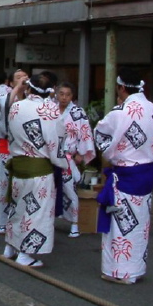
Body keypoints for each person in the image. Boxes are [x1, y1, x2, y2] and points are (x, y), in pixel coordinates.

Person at [93, 67, 153, 284]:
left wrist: (112, 152)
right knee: (140, 224)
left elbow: (101, 134)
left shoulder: (119, 112)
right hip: (147, 173)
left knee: (122, 225)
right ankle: (136, 269)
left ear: (122, 88)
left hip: (125, 175)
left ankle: (121, 272)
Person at [2, 73, 66, 267]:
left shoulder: (16, 106)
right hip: (38, 168)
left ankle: (10, 247)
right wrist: (62, 163)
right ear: (51, 90)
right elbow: (56, 142)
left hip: (18, 164)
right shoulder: (51, 110)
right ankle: (26, 254)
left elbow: (7, 130)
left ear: (29, 87)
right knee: (35, 213)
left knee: (17, 209)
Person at [0, 70, 28, 234]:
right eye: (18, 78)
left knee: (23, 186)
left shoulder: (32, 101)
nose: (22, 80)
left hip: (24, 149)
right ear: (10, 83)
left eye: (25, 78)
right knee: (4, 185)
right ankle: (2, 220)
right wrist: (17, 90)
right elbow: (3, 108)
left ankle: (20, 220)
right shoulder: (4, 99)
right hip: (6, 146)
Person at [56, 82, 96, 238]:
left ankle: (74, 223)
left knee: (69, 189)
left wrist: (80, 152)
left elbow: (85, 132)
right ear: (57, 94)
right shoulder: (50, 110)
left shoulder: (78, 112)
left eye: (68, 94)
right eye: (61, 94)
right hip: (51, 155)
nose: (64, 97)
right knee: (49, 190)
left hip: (67, 156)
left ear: (72, 97)